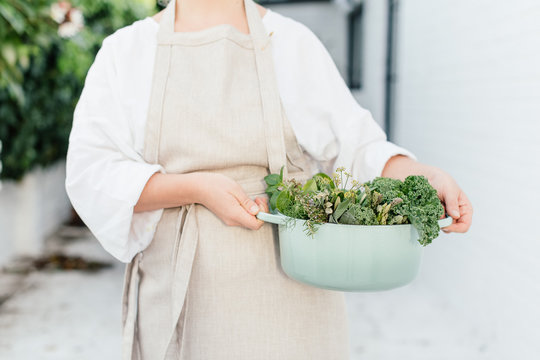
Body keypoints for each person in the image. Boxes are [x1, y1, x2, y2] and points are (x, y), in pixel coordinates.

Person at [65, 0, 473, 358]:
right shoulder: (127, 51)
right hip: (181, 295)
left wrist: (419, 174)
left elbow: (358, 146)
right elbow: (92, 171)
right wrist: (195, 188)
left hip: (291, 296)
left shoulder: (292, 43)